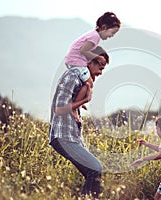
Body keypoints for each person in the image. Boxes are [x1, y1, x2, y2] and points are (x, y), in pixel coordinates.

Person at [49, 46, 109, 199]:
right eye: (100, 67)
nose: (101, 72)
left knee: (93, 174)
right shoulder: (72, 77)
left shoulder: (82, 81)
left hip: (71, 137)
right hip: (63, 137)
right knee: (95, 169)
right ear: (89, 62)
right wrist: (84, 100)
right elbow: (59, 109)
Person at [65, 11, 121, 121]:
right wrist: (97, 57)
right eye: (112, 33)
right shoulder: (95, 37)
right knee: (89, 83)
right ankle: (74, 108)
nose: (111, 36)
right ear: (104, 27)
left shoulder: (93, 35)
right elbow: (83, 50)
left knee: (87, 82)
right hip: (75, 62)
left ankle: (77, 104)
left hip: (75, 61)